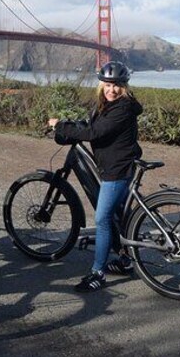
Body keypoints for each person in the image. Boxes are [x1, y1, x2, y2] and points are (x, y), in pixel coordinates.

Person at [48, 61, 142, 293]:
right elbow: (93, 125)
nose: (112, 89)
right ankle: (124, 259)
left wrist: (59, 125)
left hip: (116, 169)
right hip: (120, 165)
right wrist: (73, 125)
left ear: (125, 86)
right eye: (108, 84)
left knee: (102, 220)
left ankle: (97, 273)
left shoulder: (123, 107)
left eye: (117, 85)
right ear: (101, 84)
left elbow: (94, 133)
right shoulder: (107, 105)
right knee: (118, 215)